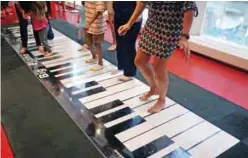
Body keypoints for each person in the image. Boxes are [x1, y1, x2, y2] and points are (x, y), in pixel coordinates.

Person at [118, 2, 198, 113]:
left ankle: (162, 99)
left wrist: (184, 36)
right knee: (139, 60)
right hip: (151, 26)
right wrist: (129, 23)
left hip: (169, 30)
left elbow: (190, 8)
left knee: (159, 67)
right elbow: (142, 2)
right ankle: (154, 87)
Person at [110, 1, 142, 81]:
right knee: (120, 43)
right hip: (119, 16)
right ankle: (121, 66)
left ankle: (130, 73)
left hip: (132, 18)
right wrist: (112, 13)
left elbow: (140, 4)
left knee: (128, 45)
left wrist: (137, 17)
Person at [84, 1, 106, 71]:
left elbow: (99, 11)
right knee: (87, 39)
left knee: (97, 43)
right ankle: (94, 57)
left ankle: (100, 63)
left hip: (97, 23)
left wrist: (90, 23)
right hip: (89, 21)